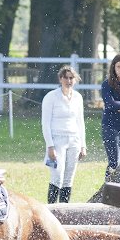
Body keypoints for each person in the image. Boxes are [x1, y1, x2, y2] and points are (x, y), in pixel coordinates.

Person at [41, 66, 86, 204]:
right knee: (57, 176)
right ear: (60, 79)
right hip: (57, 140)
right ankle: (52, 208)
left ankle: (64, 209)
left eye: (71, 78)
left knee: (68, 178)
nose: (68, 81)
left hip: (74, 140)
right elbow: (45, 123)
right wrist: (50, 146)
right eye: (65, 78)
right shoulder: (51, 97)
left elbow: (80, 122)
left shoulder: (78, 97)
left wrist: (83, 145)